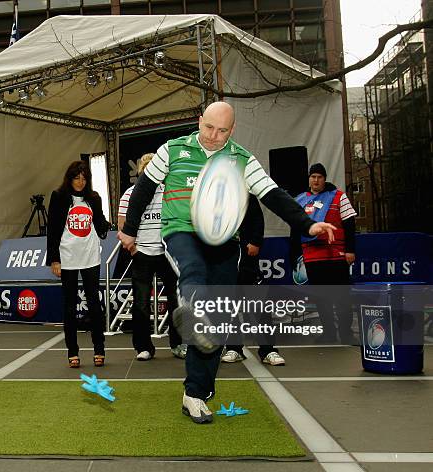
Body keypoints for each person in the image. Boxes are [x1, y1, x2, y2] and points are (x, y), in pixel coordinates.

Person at [118, 101, 336, 424]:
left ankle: (195, 393)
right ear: (199, 121)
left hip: (223, 242)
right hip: (181, 233)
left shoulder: (241, 159)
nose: (213, 136)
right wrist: (129, 230)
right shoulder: (172, 150)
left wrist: (307, 225)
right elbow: (144, 189)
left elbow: (272, 194)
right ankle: (191, 310)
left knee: (215, 326)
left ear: (232, 131)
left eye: (222, 131)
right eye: (208, 127)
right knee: (192, 273)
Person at [117, 153, 186, 361]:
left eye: (154, 166)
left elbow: (179, 220)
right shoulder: (130, 194)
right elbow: (122, 225)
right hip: (142, 253)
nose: (150, 170)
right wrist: (134, 248)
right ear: (140, 171)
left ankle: (178, 343)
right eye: (146, 167)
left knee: (177, 300)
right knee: (141, 303)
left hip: (167, 253)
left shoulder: (169, 193)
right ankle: (143, 347)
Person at [47, 161, 110, 368]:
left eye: (84, 178)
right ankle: (72, 351)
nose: (81, 182)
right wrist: (54, 259)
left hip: (91, 256)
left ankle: (99, 348)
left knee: (94, 303)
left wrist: (108, 225)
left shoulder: (94, 198)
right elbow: (53, 230)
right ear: (70, 178)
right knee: (69, 306)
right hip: (67, 257)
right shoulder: (59, 197)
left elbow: (99, 223)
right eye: (77, 178)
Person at [291, 163, 357, 344]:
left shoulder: (338, 196)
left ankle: (346, 333)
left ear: (325, 179)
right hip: (312, 257)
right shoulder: (301, 200)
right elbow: (295, 230)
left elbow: (350, 224)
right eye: (313, 176)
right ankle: (328, 333)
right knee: (321, 298)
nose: (316, 180)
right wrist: (295, 256)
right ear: (309, 179)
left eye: (319, 176)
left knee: (342, 296)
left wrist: (350, 250)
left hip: (336, 255)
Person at [222, 195, 285, 366]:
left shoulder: (246, 194)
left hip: (247, 259)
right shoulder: (214, 194)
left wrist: (255, 241)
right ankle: (233, 348)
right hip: (225, 259)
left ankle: (268, 350)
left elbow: (258, 219)